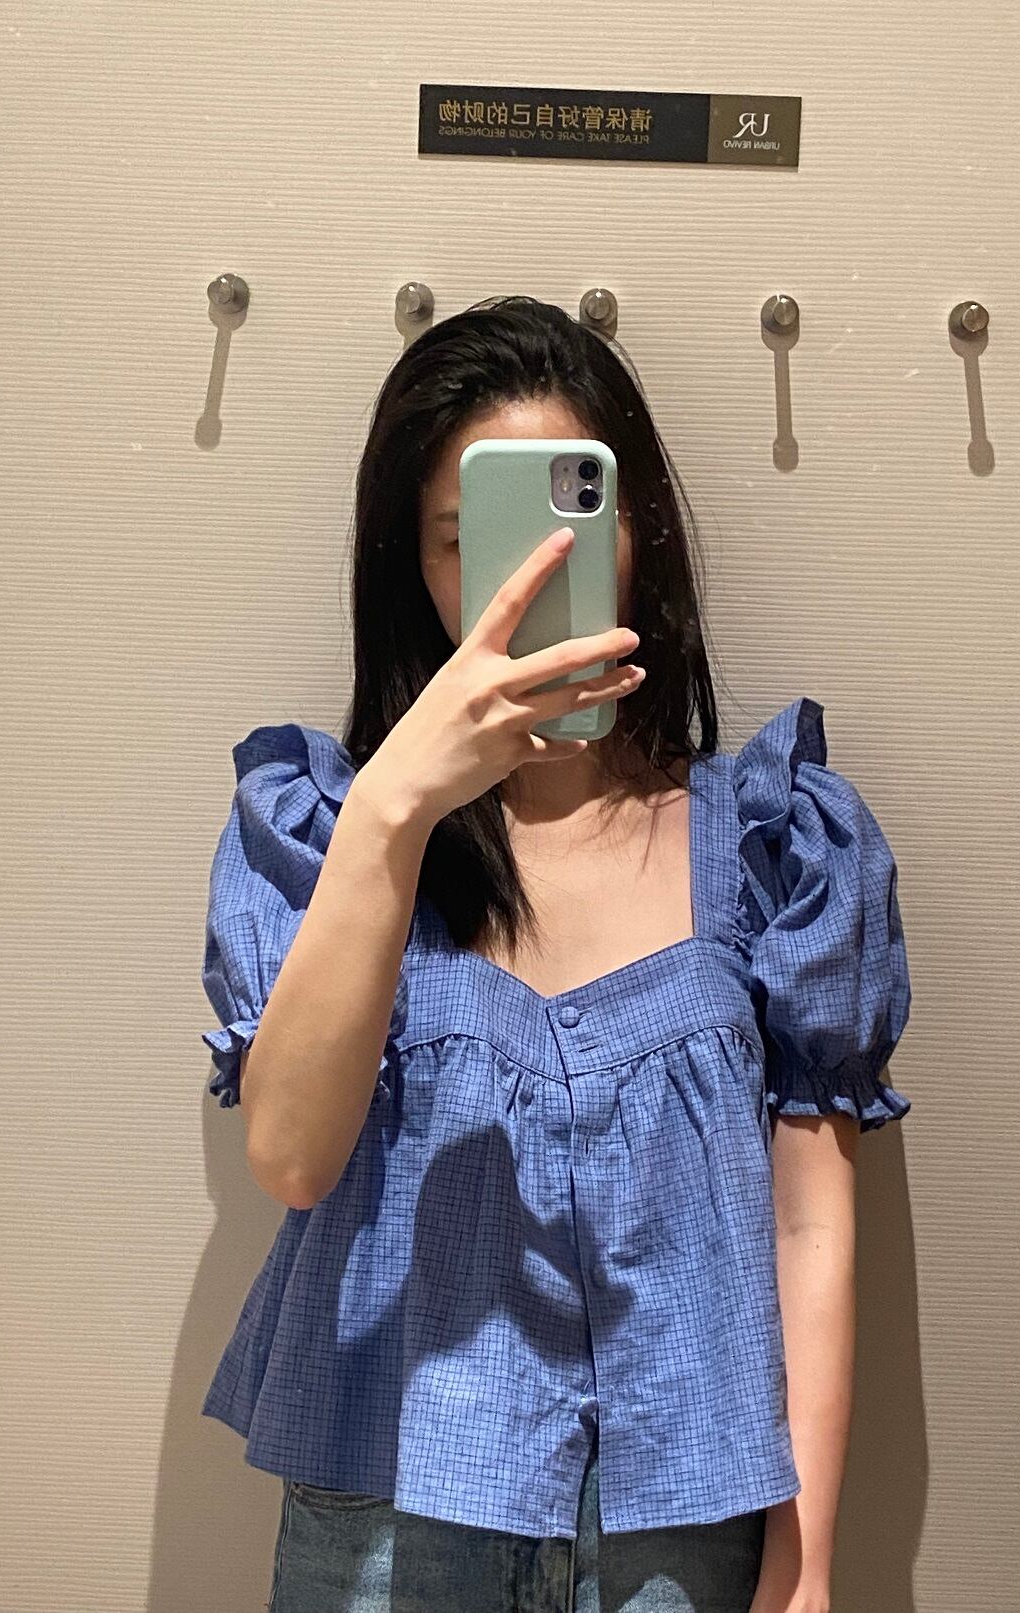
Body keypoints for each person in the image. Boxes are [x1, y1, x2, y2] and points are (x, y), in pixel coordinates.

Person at [199, 296, 913, 1613]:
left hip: (677, 1533)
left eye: (570, 529)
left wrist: (806, 1558)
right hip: (390, 1521)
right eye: (467, 539)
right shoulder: (325, 834)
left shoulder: (775, 846)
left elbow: (810, 1217)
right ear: (407, 563)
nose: (524, 580)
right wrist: (395, 806)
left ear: (639, 535)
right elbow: (291, 1157)